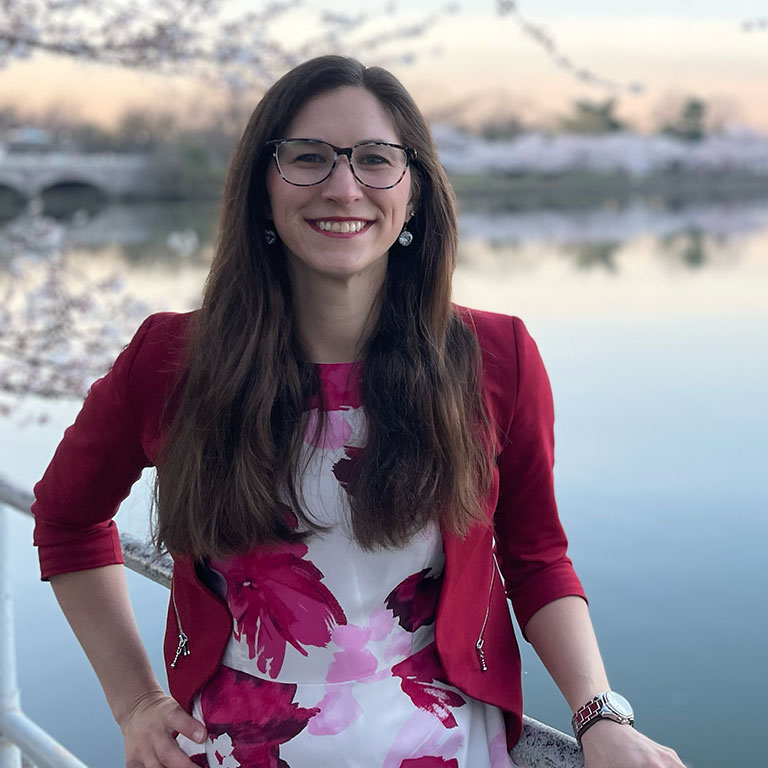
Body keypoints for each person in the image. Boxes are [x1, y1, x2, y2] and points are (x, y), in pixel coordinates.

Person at [32, 55, 685, 768]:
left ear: (415, 193)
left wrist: (599, 716)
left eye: (376, 160)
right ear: (262, 187)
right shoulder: (171, 361)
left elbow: (536, 559)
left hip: (444, 745)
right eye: (309, 158)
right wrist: (133, 703)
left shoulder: (496, 357)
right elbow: (66, 519)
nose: (344, 187)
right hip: (230, 748)